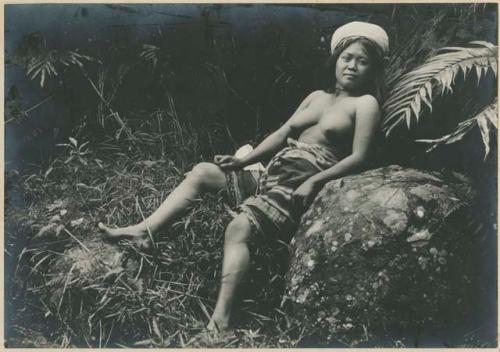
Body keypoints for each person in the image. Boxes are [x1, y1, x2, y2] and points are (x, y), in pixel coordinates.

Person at [98, 21, 389, 333]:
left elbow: (361, 158)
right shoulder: (316, 96)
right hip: (271, 176)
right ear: (336, 59)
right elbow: (281, 134)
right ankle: (145, 231)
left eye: (362, 61)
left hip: (298, 187)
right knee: (204, 173)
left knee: (239, 227)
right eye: (347, 57)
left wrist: (315, 182)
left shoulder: (365, 104)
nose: (352, 66)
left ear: (373, 69)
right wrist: (242, 162)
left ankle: (219, 322)